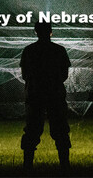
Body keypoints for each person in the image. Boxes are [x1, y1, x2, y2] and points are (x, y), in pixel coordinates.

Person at [20, 22, 72, 171]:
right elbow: (64, 74)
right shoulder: (59, 50)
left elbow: (25, 75)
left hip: (35, 94)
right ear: (51, 32)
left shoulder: (29, 50)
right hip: (55, 94)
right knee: (61, 129)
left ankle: (27, 165)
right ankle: (65, 165)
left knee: (32, 129)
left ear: (36, 32)